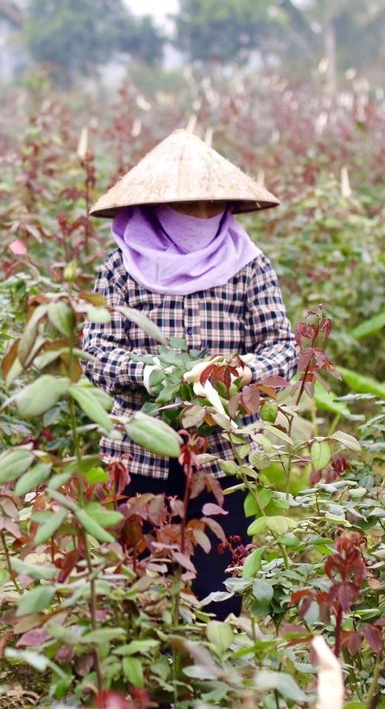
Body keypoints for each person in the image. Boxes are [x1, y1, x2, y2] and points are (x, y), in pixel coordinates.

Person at [80, 129, 298, 619]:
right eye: (185, 207)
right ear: (155, 209)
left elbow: (283, 348)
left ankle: (214, 664)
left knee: (220, 595)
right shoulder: (121, 268)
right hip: (139, 454)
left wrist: (237, 372)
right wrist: (150, 373)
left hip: (225, 459)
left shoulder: (248, 267)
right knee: (140, 592)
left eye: (210, 205)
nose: (200, 217)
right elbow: (94, 352)